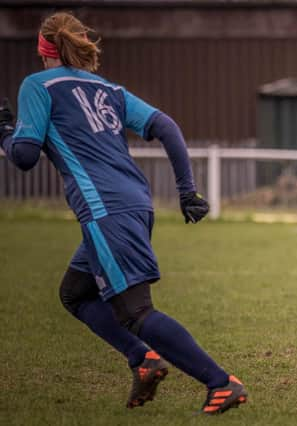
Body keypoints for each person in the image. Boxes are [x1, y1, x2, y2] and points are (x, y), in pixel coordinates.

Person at [0, 12, 247, 414]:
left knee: (135, 310)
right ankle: (143, 359)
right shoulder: (108, 88)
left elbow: (25, 156)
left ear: (43, 50)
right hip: (134, 202)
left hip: (103, 208)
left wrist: (6, 134)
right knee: (75, 293)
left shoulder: (37, 85)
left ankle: (221, 382)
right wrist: (187, 192)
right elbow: (166, 125)